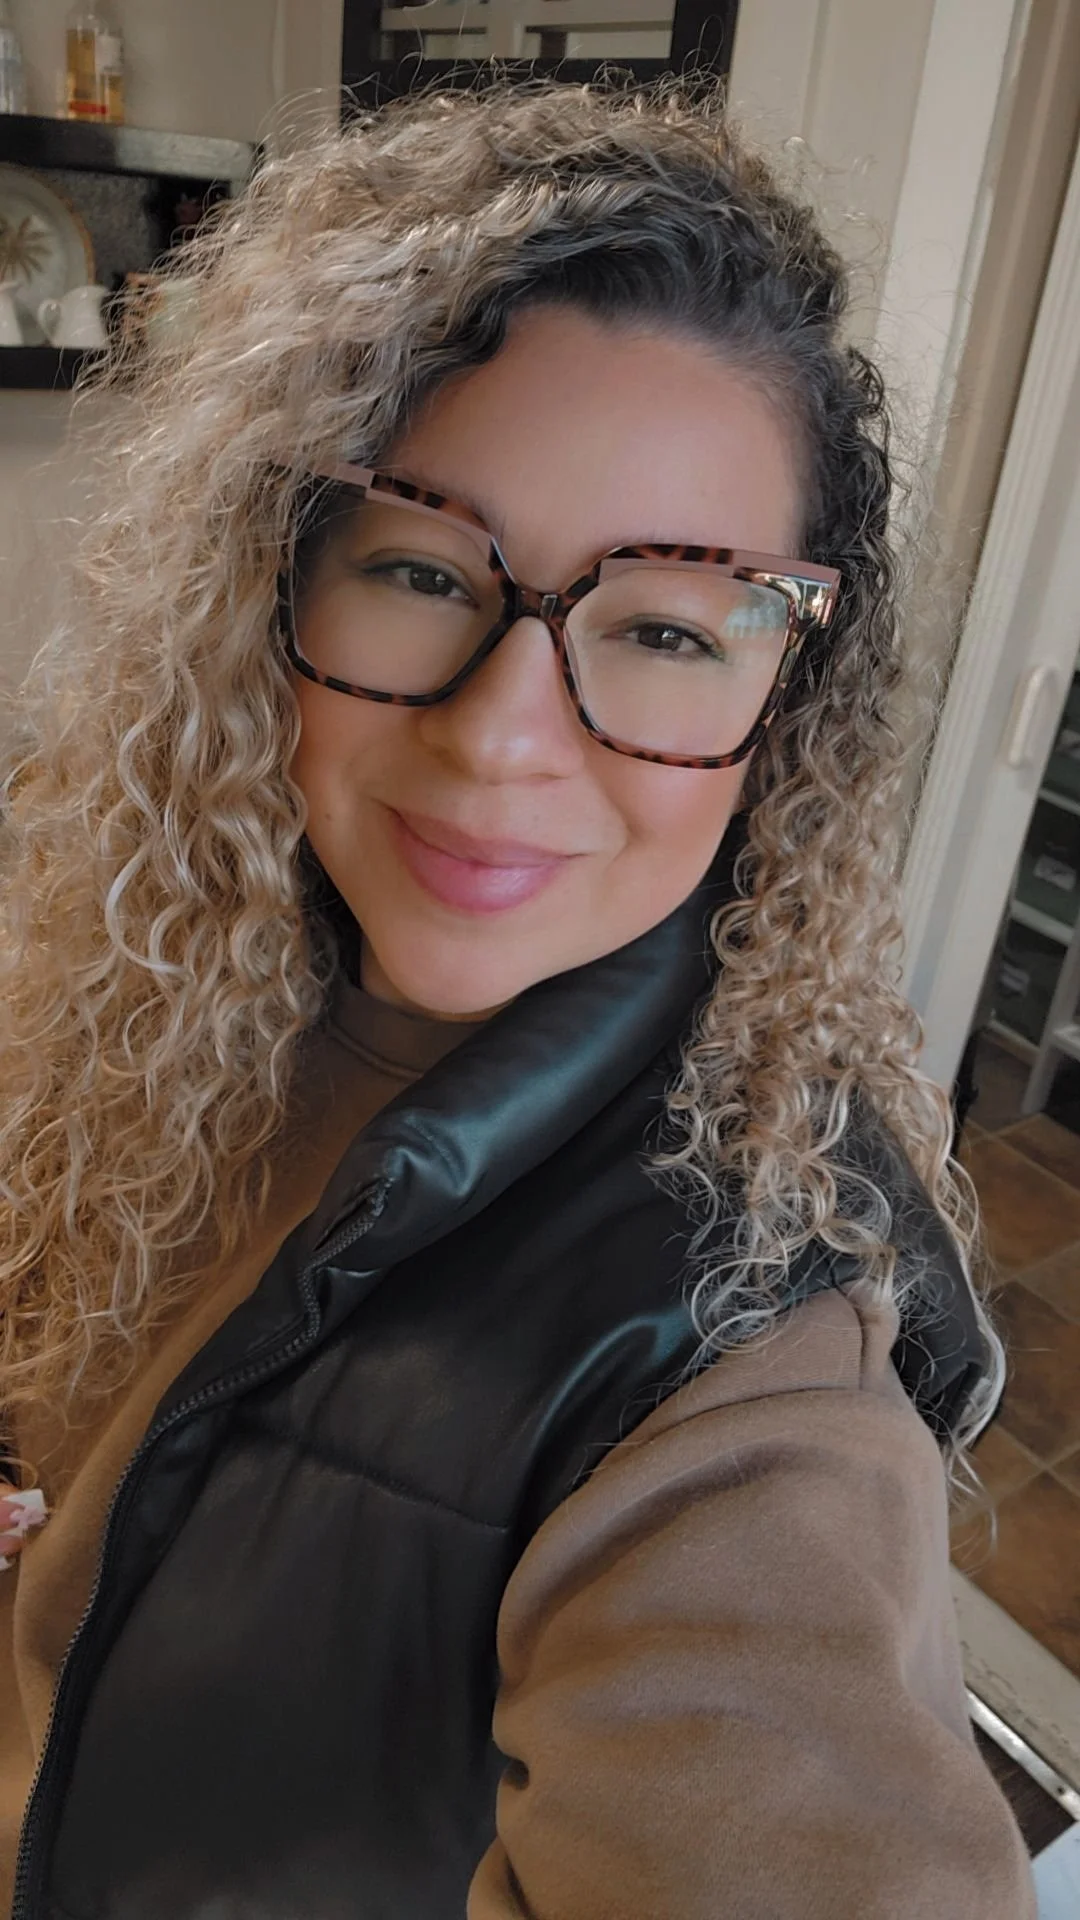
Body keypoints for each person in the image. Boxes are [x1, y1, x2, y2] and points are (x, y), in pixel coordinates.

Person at [0, 75, 1033, 1920]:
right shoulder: (163, 963)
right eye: (418, 568)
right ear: (270, 587)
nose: (499, 738)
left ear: (779, 708)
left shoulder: (744, 1357)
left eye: (661, 625)